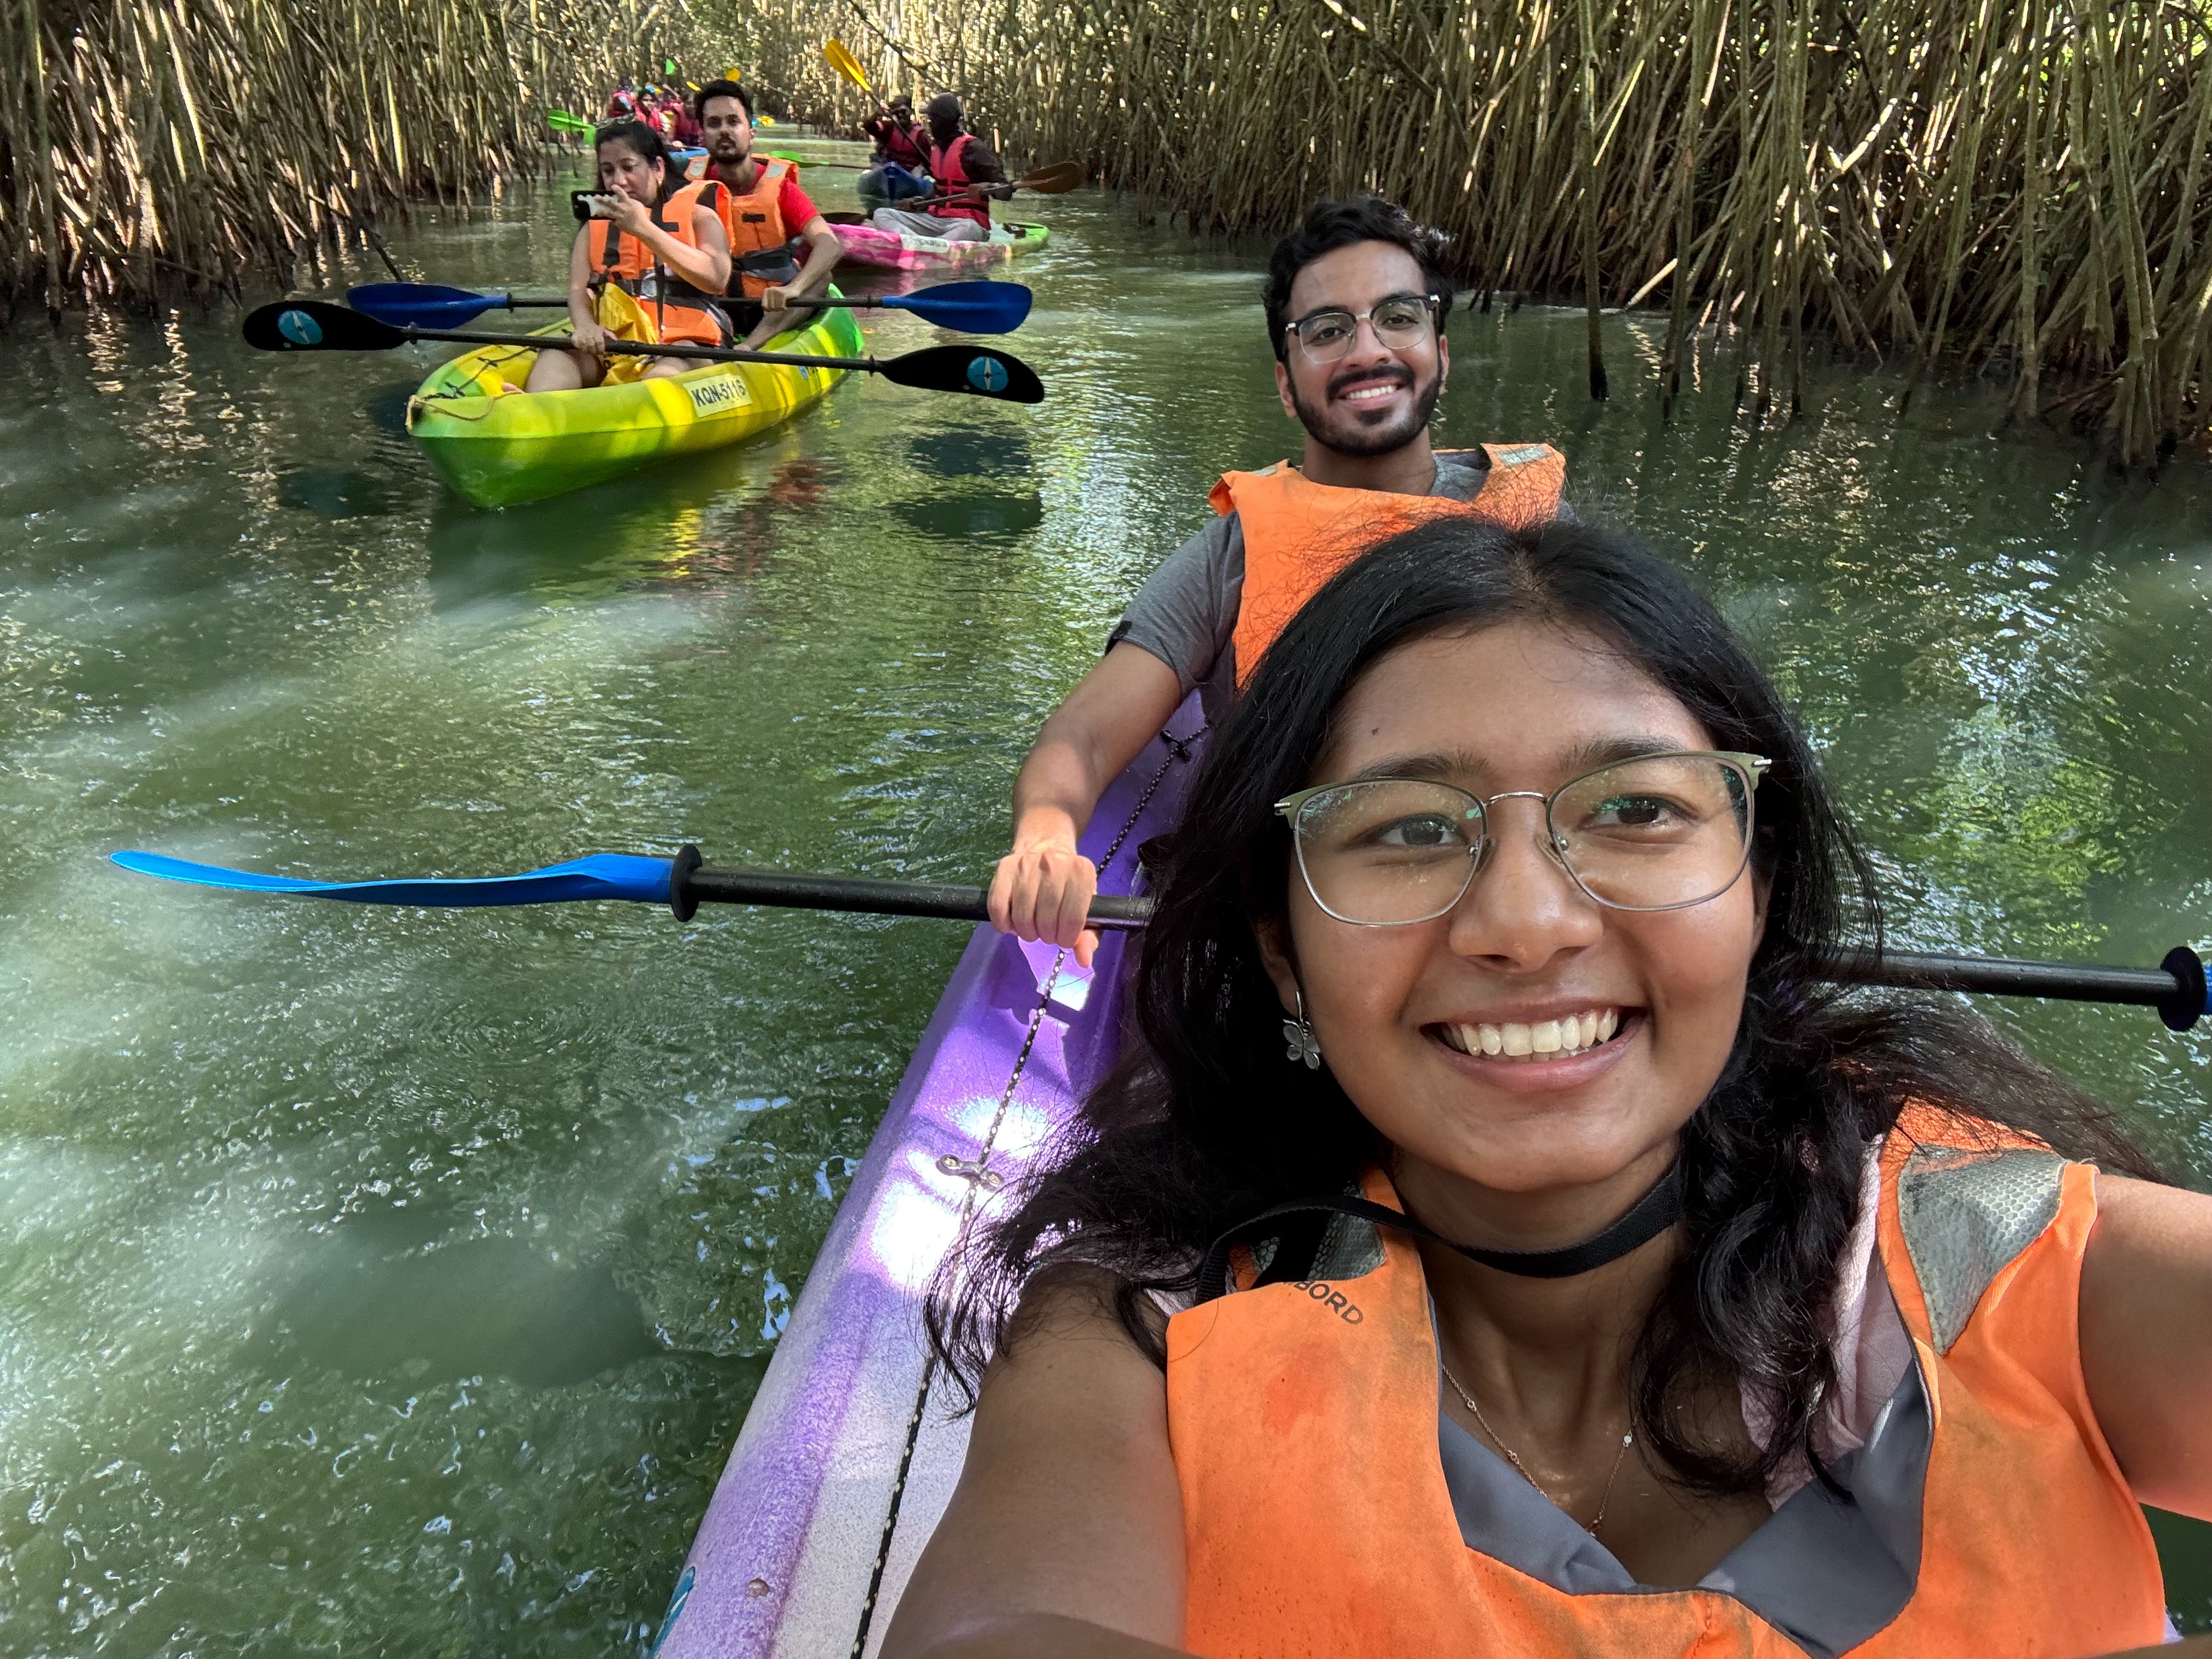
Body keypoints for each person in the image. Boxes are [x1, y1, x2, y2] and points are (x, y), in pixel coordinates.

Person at [888, 515, 2212, 1659]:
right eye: (1407, 830)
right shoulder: (1134, 1334)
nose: (1526, 926)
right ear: (1281, 948)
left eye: (1636, 809)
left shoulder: (2005, 1258)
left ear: (1757, 892)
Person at [988, 196, 1566, 968]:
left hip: (1515, 896)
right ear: (1287, 383)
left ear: (1441, 350)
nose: (1368, 349)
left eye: (1398, 316)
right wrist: (1046, 839)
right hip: (1311, 927)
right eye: (1326, 331)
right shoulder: (1227, 558)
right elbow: (1083, 739)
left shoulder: (1545, 525)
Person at [524, 120, 731, 393]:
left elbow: (716, 279)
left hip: (685, 347)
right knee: (555, 353)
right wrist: (585, 326)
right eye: (608, 171)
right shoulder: (593, 228)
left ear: (658, 168)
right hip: (616, 348)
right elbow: (578, 290)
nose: (618, 181)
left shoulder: (700, 217)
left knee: (664, 374)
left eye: (629, 167)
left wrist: (644, 229)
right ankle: (535, 411)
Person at [690, 78, 844, 351]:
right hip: (714, 305)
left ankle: (750, 346)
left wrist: (794, 288)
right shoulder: (687, 189)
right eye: (714, 124)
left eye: (733, 122)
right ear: (702, 134)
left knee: (822, 279)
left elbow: (829, 244)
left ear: (751, 131)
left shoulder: (781, 188)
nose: (724, 130)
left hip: (772, 308)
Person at [868, 93, 1007, 243]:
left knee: (969, 229)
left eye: (932, 120)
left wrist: (987, 186)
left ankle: (918, 244)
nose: (930, 125)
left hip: (965, 224)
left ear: (943, 122)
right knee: (882, 214)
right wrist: (919, 202)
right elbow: (941, 190)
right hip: (935, 220)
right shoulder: (936, 149)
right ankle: (918, 243)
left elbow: (1005, 191)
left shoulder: (974, 148)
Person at [864, 93, 931, 173]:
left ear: (911, 111)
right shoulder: (890, 128)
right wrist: (877, 113)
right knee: (874, 167)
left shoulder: (921, 135)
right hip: (891, 173)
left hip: (911, 178)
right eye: (897, 113)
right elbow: (868, 126)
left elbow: (929, 163)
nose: (900, 115)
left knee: (918, 172)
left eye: (903, 111)